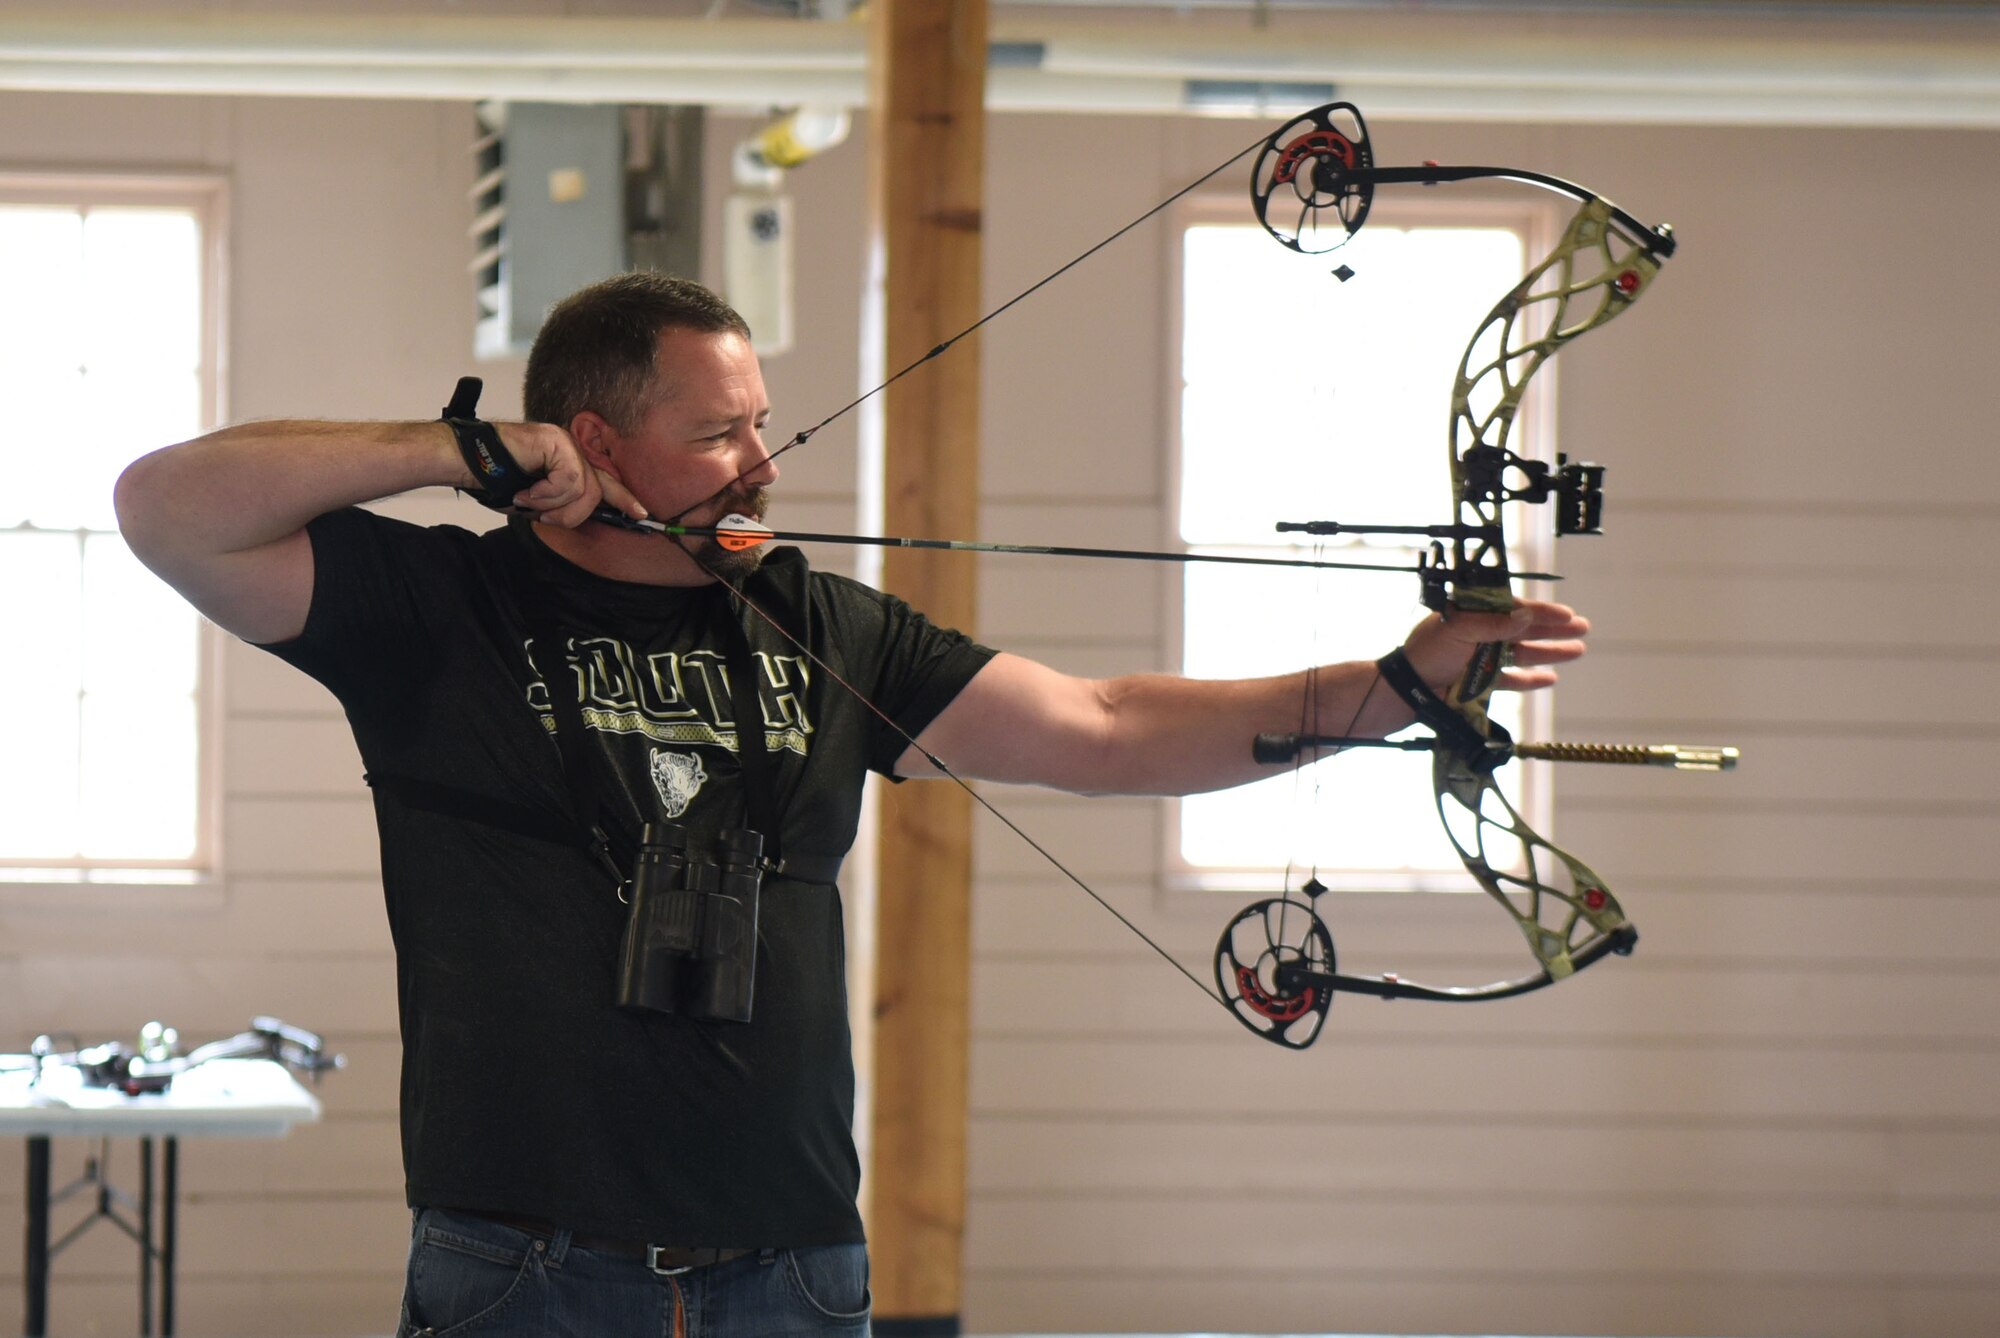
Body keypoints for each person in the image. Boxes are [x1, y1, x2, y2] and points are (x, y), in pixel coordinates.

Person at [113, 272, 1588, 1337]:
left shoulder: (825, 625)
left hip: (794, 1269)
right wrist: (455, 453)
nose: (762, 463)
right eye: (716, 435)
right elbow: (165, 507)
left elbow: (1110, 726)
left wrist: (1402, 680)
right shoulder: (442, 611)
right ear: (593, 446)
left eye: (765, 423)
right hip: (528, 1268)